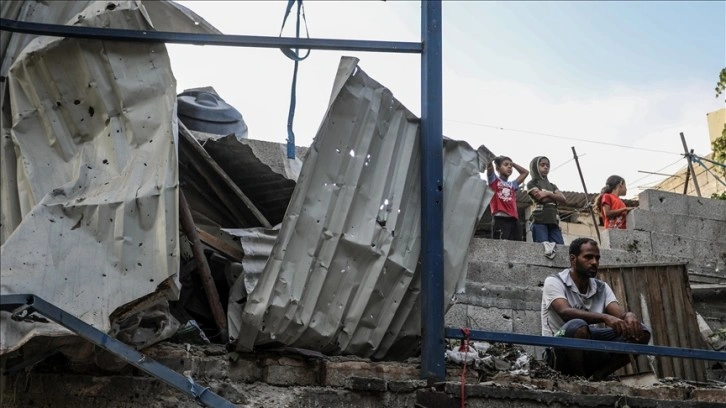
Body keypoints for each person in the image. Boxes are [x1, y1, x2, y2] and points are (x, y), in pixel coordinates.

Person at [541, 237, 650, 380]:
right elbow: (565, 312)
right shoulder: (554, 281)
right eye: (588, 257)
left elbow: (620, 314)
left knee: (641, 332)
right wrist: (604, 317)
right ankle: (580, 380)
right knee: (578, 325)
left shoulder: (601, 287)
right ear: (573, 259)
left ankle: (598, 376)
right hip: (558, 352)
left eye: (597, 258)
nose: (594, 262)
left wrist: (629, 316)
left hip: (587, 348)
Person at [487, 155, 529, 241]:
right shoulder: (494, 180)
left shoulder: (512, 184)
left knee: (517, 246)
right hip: (500, 218)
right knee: (500, 247)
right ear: (498, 168)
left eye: (510, 165)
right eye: (506, 165)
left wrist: (513, 164)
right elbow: (490, 167)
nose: (509, 167)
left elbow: (525, 172)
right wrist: (490, 158)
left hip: (514, 219)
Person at [526, 156, 567, 244]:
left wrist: (547, 194)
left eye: (547, 165)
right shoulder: (532, 183)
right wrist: (555, 197)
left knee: (560, 248)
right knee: (543, 248)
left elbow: (563, 199)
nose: (545, 167)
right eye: (542, 165)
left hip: (553, 221)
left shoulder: (552, 185)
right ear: (535, 167)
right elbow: (542, 199)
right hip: (539, 220)